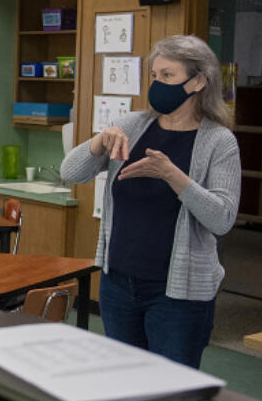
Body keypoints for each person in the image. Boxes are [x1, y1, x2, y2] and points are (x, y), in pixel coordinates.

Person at [60, 34, 240, 368]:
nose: (157, 84)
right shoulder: (133, 125)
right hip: (119, 284)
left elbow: (223, 218)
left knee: (172, 390)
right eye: (154, 76)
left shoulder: (219, 141)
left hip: (178, 295)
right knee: (125, 384)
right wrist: (98, 141)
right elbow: (71, 172)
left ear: (198, 81)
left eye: (168, 76)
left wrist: (173, 176)